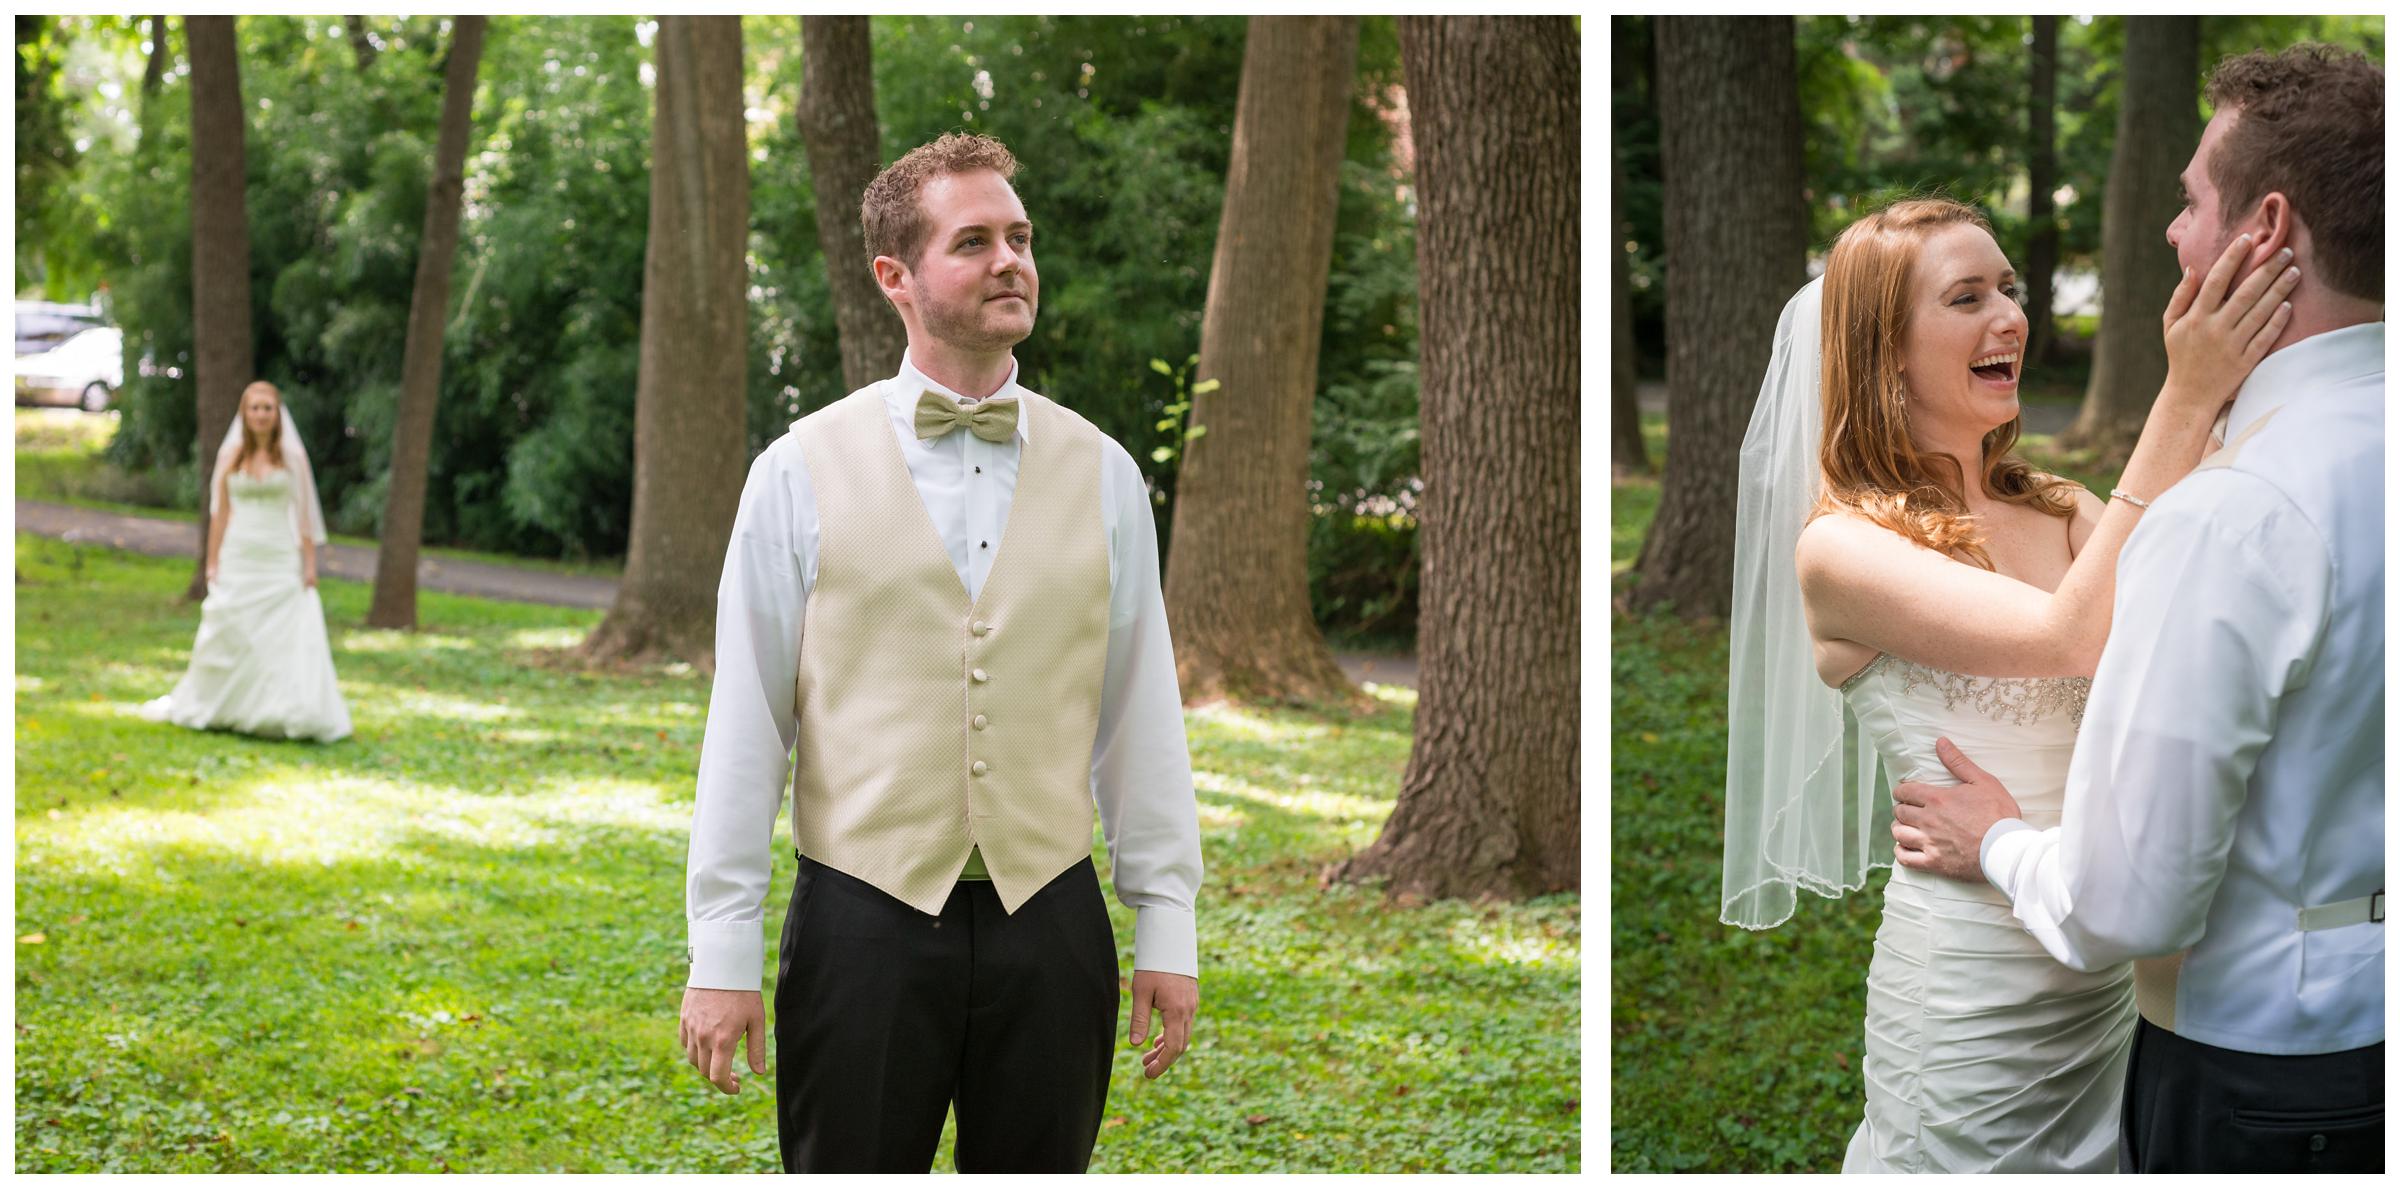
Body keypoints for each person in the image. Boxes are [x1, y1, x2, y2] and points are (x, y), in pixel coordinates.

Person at [1719, 195, 2294, 1171]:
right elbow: (2068, 637)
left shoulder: (2064, 505)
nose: (2011, 316)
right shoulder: (1843, 550)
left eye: (2010, 288)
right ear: (1886, 349)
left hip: (2096, 946)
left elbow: (2177, 632)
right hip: (1969, 996)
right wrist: (2183, 398)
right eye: (1968, 295)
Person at [1889, 45, 2384, 1173]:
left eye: (2189, 200)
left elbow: (2133, 903)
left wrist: (2002, 840)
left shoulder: (2233, 514)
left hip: (2260, 1069)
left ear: (2264, 231)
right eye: (1965, 296)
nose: (2171, 231)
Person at [676, 132, 1204, 1173]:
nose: (1012, 259)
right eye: (975, 241)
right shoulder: (796, 471)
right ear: (896, 277)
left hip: (1050, 916)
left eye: (1020, 237)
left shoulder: (1103, 473)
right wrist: (722, 951)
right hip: (861, 920)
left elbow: (1141, 714)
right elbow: (745, 724)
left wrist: (1168, 924)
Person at [142, 380, 350, 743]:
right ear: (245, 413)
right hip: (239, 551)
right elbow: (219, 513)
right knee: (231, 624)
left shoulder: (293, 459)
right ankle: (225, 706)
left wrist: (310, 564)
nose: (261, 414)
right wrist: (212, 562)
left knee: (281, 632)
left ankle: (278, 710)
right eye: (254, 407)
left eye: (267, 407)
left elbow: (304, 517)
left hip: (278, 552)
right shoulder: (231, 455)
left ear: (277, 413)